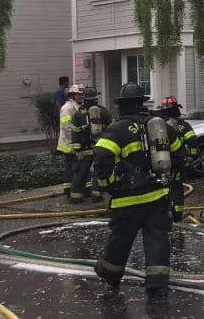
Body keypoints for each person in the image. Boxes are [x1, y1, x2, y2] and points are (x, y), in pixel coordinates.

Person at [93, 82, 185, 299]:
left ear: (124, 106)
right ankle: (157, 281)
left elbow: (102, 159)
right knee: (157, 238)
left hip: (128, 200)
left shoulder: (117, 129)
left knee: (121, 238)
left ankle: (110, 274)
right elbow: (180, 154)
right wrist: (171, 178)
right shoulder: (159, 126)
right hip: (158, 195)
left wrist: (110, 185)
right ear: (141, 103)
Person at [154, 96, 197, 222]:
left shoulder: (158, 125)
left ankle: (163, 214)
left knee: (162, 188)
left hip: (161, 162)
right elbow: (193, 141)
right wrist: (190, 157)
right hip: (178, 162)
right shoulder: (183, 125)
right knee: (177, 188)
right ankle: (177, 216)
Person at [70, 86, 113, 203]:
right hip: (100, 148)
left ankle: (75, 197)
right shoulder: (104, 111)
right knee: (98, 171)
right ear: (96, 98)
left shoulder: (78, 114)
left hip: (84, 150)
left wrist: (77, 151)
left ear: (85, 98)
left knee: (80, 173)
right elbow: (112, 129)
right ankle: (97, 195)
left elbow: (75, 133)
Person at [57, 84, 84, 197]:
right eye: (79, 95)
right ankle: (69, 189)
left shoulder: (76, 106)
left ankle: (70, 188)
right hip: (69, 143)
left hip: (73, 143)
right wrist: (77, 140)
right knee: (71, 166)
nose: (81, 97)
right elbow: (67, 127)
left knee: (72, 166)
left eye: (82, 95)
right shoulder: (67, 108)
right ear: (72, 96)